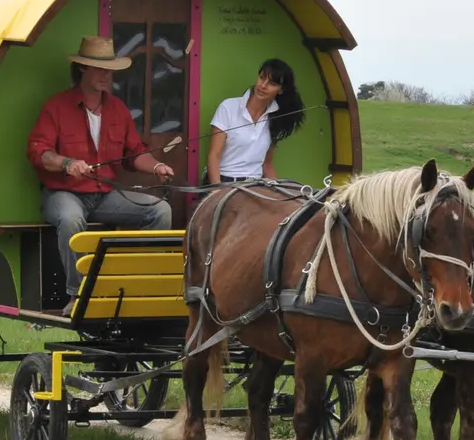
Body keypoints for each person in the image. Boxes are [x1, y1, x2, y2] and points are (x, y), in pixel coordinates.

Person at [27, 35, 176, 302]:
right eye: (99, 69)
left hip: (105, 195)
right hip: (64, 193)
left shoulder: (118, 109)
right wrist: (67, 163)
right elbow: (39, 153)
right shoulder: (56, 107)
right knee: (71, 219)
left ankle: (140, 286)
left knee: (160, 211)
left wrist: (157, 167)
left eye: (109, 70)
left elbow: (134, 154)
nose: (106, 75)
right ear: (82, 68)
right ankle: (79, 296)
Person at [205, 58, 306, 184]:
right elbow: (214, 156)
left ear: (281, 90)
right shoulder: (228, 107)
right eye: (262, 78)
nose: (263, 86)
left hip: (255, 186)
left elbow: (267, 164)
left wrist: (276, 190)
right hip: (223, 181)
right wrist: (218, 190)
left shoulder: (276, 119)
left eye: (272, 83)